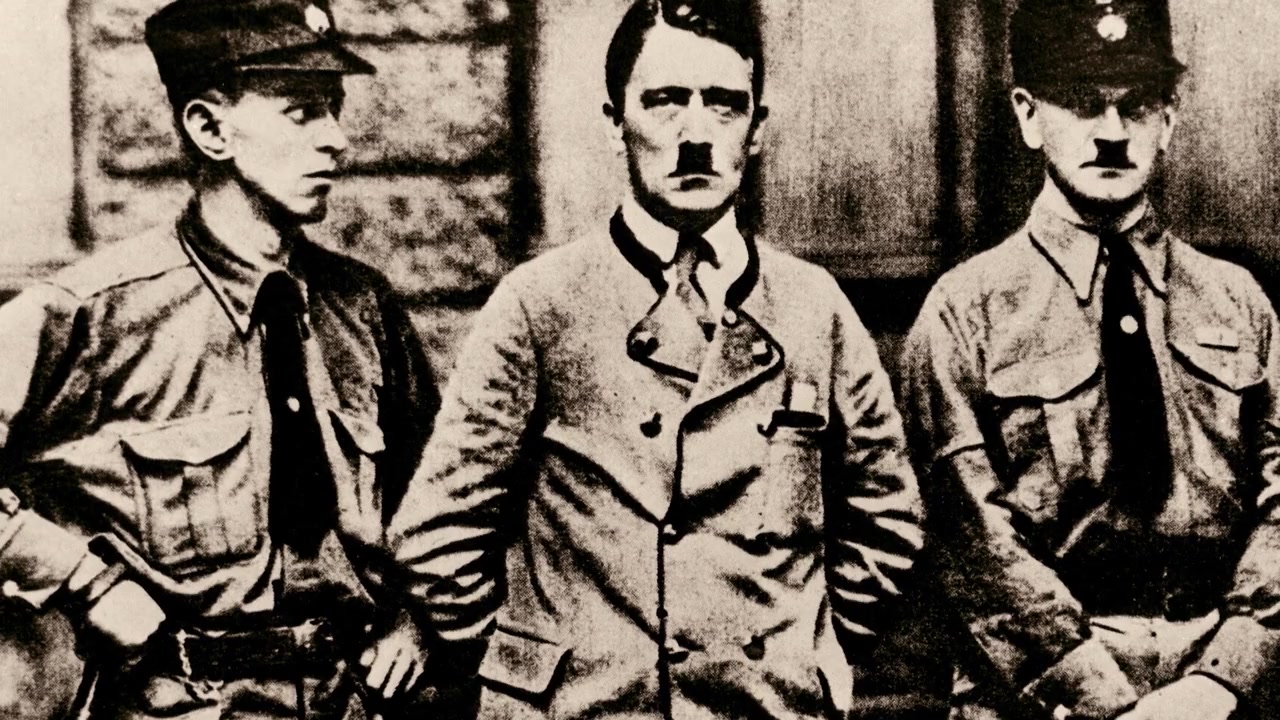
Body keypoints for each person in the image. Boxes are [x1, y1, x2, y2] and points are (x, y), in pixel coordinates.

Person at [388, 1, 924, 718]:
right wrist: (536, 670)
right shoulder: (540, 303)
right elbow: (435, 536)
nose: (696, 135)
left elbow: (889, 520)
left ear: (758, 129)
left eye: (724, 105)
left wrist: (803, 655)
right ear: (615, 123)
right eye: (666, 101)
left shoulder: (812, 306)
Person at [0, 0, 442, 717]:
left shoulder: (363, 307)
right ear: (210, 129)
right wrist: (86, 583)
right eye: (302, 112)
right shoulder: (95, 314)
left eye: (334, 108)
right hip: (180, 702)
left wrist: (417, 615)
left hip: (352, 700)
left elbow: (445, 501)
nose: (336, 139)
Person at [903, 1, 1280, 718]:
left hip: (1220, 685)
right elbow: (972, 538)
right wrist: (1100, 697)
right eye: (1081, 103)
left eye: (1135, 106)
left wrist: (1220, 680)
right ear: (1028, 115)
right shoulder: (965, 310)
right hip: (1039, 693)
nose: (1112, 132)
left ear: (1169, 120)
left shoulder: (1238, 302)